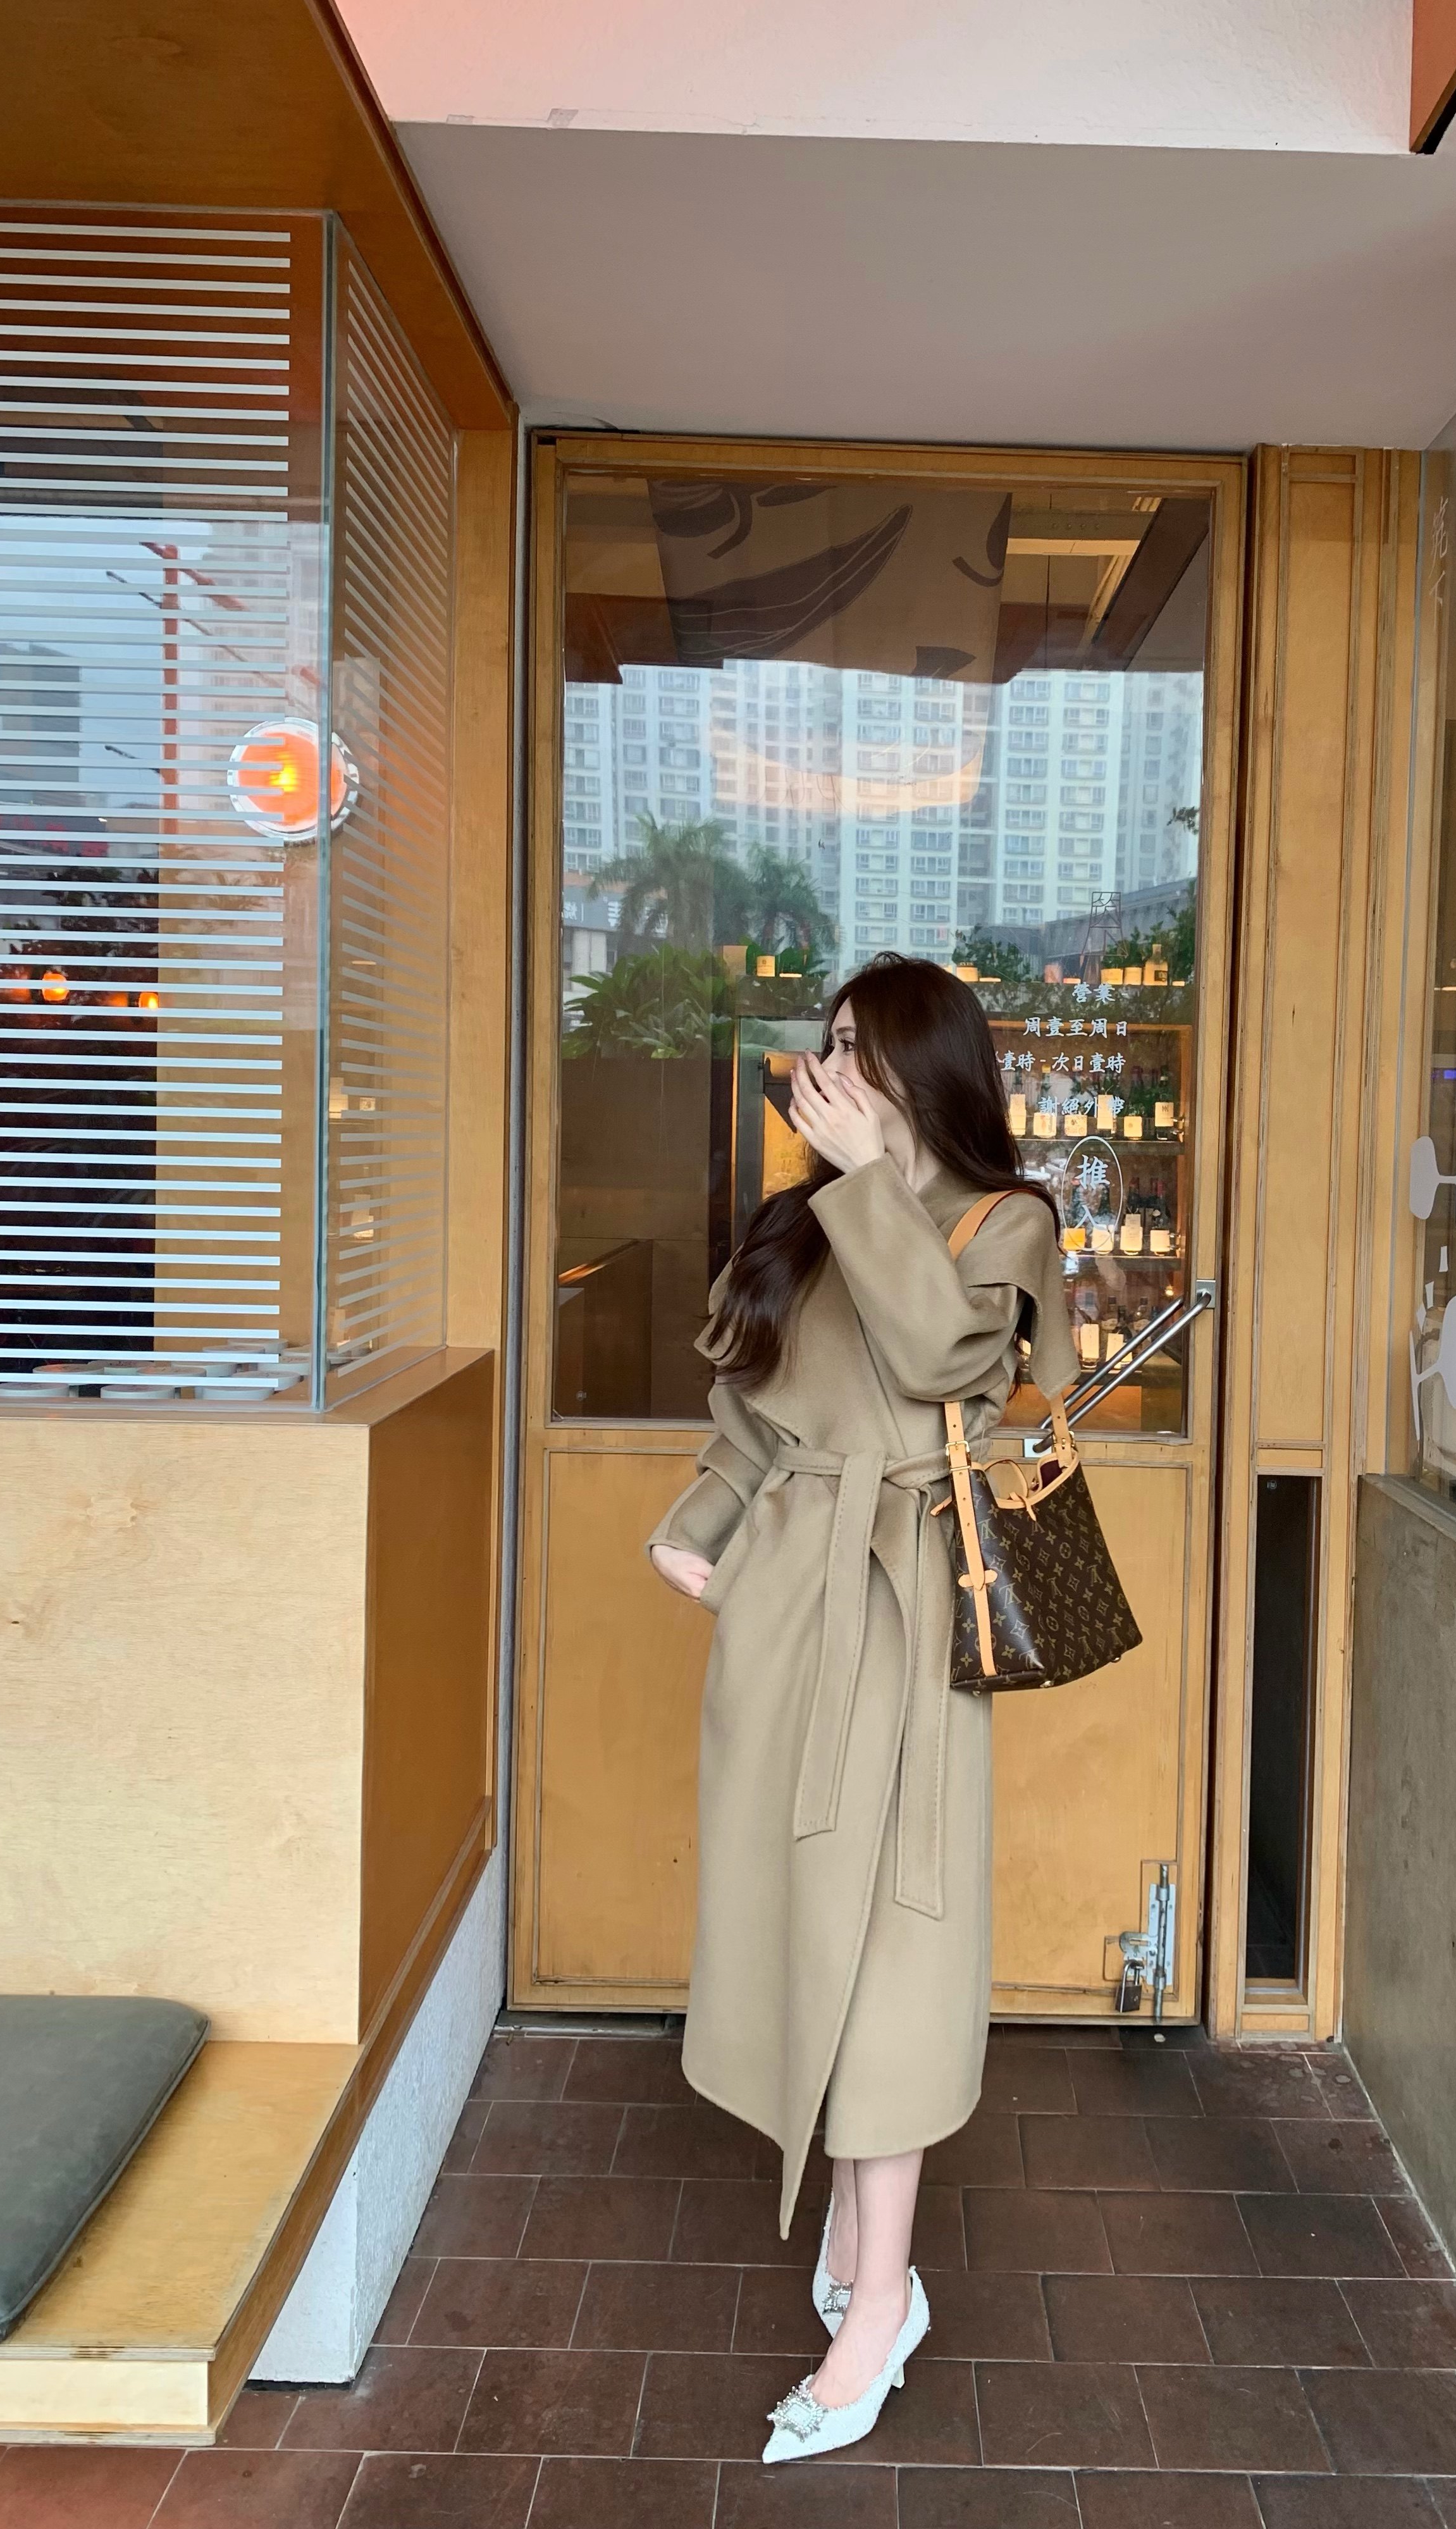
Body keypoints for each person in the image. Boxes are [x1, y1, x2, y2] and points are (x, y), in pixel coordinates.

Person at [648, 951, 1074, 2464]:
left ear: (925, 1069)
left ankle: (879, 2302)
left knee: (894, 1947)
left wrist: (872, 1189)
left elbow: (951, 1360)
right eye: (825, 1043)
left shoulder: (1003, 1221)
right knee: (800, 1918)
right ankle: (854, 2235)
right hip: (787, 1619)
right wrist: (698, 1526)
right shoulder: (808, 1223)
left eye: (862, 1048)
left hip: (907, 1618)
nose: (831, 1070)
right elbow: (754, 1417)